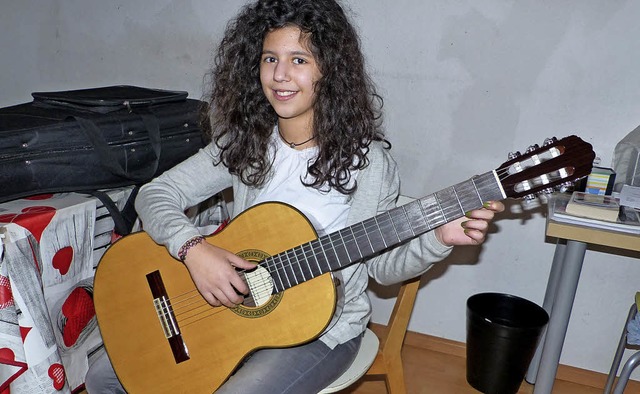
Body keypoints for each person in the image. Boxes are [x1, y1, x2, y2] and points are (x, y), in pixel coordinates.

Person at [85, 0, 504, 393]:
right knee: (105, 375)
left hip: (324, 330)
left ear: (330, 71)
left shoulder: (369, 164)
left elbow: (382, 268)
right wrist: (193, 249)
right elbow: (157, 193)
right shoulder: (246, 142)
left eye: (298, 60)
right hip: (231, 314)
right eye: (271, 59)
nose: (280, 75)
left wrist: (437, 240)